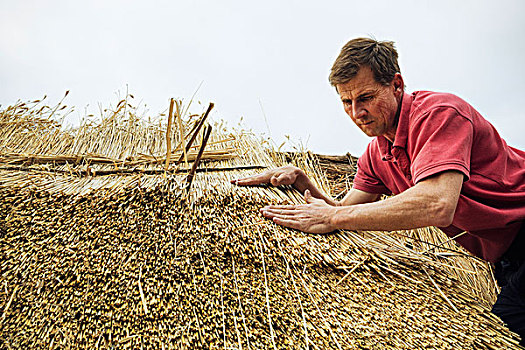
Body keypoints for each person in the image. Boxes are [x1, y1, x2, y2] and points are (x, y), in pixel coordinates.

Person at [232, 37, 525, 344]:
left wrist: (332, 217)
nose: (357, 112)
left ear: (397, 85)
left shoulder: (439, 114)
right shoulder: (375, 155)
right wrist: (303, 182)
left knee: (502, 335)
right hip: (505, 259)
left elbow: (438, 203)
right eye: (347, 102)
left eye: (366, 97)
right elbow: (342, 211)